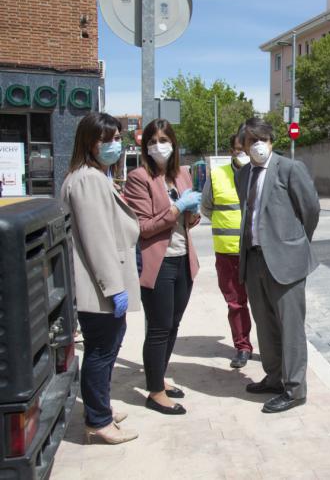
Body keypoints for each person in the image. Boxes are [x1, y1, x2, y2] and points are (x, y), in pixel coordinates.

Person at [60, 113, 139, 444]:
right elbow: (98, 239)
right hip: (100, 288)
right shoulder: (88, 180)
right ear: (88, 143)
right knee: (101, 350)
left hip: (100, 286)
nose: (114, 145)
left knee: (104, 346)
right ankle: (98, 421)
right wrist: (114, 288)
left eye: (117, 138)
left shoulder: (91, 176)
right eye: (106, 140)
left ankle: (99, 407)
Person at [234, 118, 320, 413]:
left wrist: (295, 242)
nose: (257, 145)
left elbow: (310, 209)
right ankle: (274, 377)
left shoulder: (290, 168)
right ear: (243, 146)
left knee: (291, 328)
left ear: (271, 141)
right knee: (265, 324)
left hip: (286, 260)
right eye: (250, 140)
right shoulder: (243, 174)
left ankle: (295, 389)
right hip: (254, 258)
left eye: (262, 139)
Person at [124, 119, 201, 416]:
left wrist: (192, 214)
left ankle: (160, 377)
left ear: (174, 143)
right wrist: (176, 208)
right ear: (146, 146)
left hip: (183, 259)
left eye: (164, 139)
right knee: (158, 328)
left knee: (173, 325)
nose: (159, 145)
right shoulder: (138, 177)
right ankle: (155, 392)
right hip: (159, 263)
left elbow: (188, 223)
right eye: (153, 140)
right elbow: (143, 228)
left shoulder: (182, 174)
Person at [201, 132, 253, 368]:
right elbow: (207, 208)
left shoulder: (261, 173)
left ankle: (274, 349)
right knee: (236, 303)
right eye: (237, 149)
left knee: (266, 304)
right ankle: (242, 347)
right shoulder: (216, 175)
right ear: (231, 151)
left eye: (245, 148)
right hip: (227, 253)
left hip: (257, 250)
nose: (241, 152)